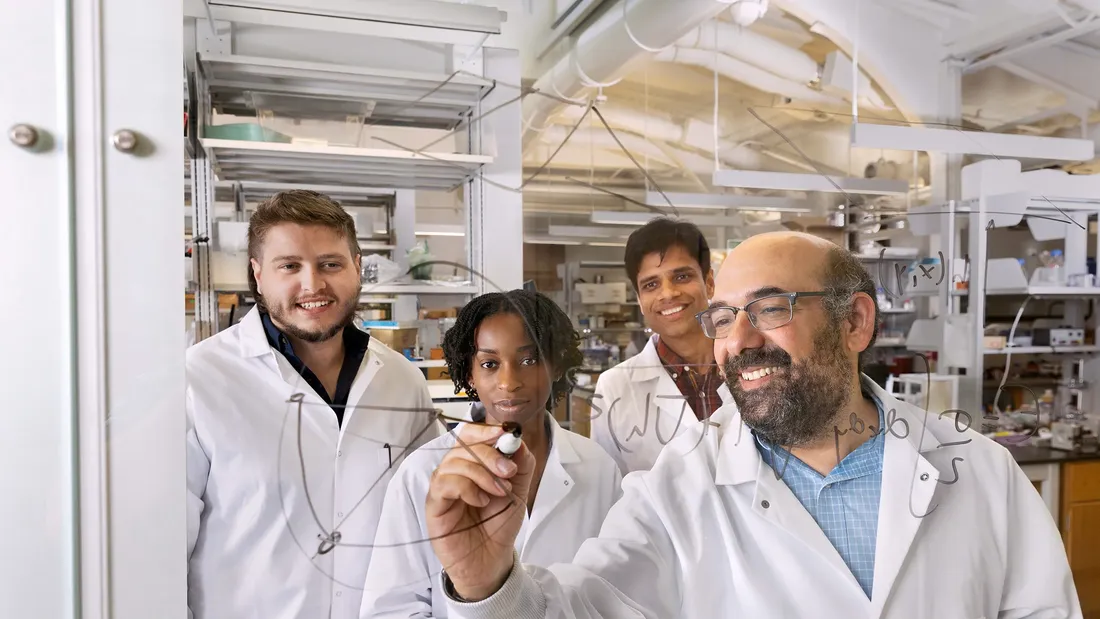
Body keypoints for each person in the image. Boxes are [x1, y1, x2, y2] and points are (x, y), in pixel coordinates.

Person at [423, 231, 1081, 618]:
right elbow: (582, 608)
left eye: (768, 309)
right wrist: (488, 585)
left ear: (854, 321)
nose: (736, 340)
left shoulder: (979, 473)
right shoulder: (677, 492)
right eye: (722, 316)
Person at [186, 190, 442, 619]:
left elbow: (424, 526)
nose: (313, 285)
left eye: (330, 264)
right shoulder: (200, 379)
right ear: (258, 274)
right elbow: (160, 549)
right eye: (289, 266)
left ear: (357, 268)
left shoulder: (402, 381)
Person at [359, 290, 623, 618]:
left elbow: (615, 593)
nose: (509, 382)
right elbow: (390, 610)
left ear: (556, 366)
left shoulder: (598, 468)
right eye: (490, 364)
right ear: (469, 374)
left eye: (529, 360)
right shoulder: (423, 473)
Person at [590, 217, 729, 475]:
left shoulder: (749, 364)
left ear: (709, 282)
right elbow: (611, 491)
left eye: (682, 276)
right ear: (640, 300)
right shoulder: (614, 387)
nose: (668, 294)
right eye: (651, 284)